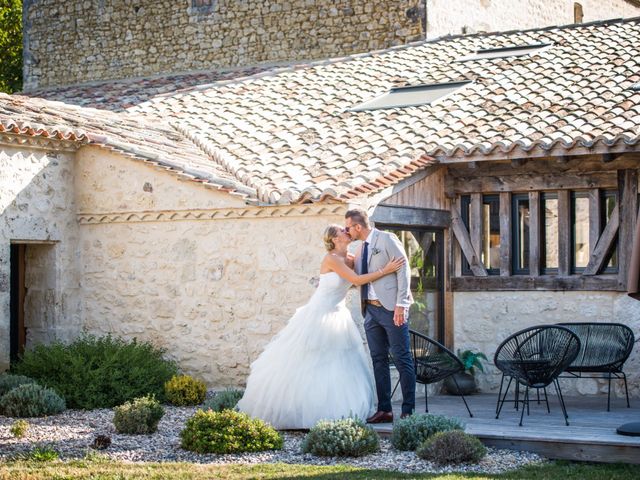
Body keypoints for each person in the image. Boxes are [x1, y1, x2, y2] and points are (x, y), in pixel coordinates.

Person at [236, 224, 404, 429]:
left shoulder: (353, 258)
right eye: (343, 230)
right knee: (311, 361)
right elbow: (357, 279)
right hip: (320, 312)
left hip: (339, 315)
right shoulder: (331, 258)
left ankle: (338, 410)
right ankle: (301, 410)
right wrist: (385, 270)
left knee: (339, 363)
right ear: (334, 238)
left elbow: (361, 281)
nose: (347, 231)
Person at [345, 208, 415, 423]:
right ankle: (384, 409)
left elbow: (403, 270)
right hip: (371, 311)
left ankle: (408, 411)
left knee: (402, 358)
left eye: (348, 228)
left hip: (392, 308)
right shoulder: (359, 249)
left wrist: (401, 304)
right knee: (378, 360)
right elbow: (356, 275)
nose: (347, 231)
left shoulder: (386, 239)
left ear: (358, 226)